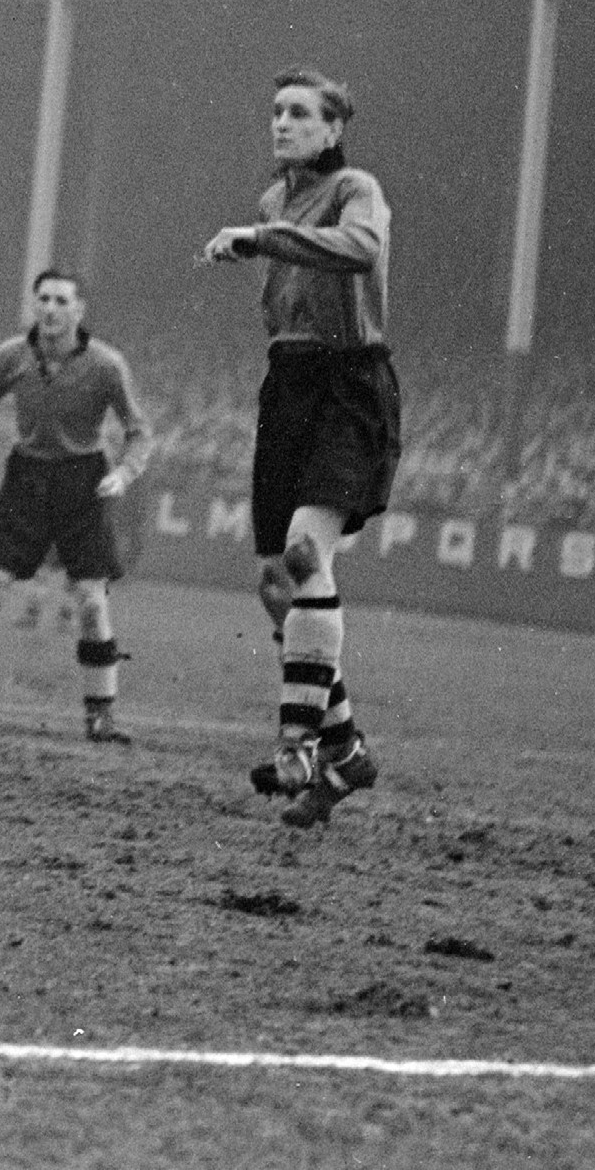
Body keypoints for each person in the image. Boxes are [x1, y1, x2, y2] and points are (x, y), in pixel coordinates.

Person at [201, 65, 401, 828]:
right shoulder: (273, 199)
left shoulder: (359, 189)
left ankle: (296, 745)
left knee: (304, 556)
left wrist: (259, 238)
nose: (281, 123)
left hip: (349, 383)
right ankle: (346, 751)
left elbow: (357, 249)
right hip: (288, 386)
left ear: (333, 128)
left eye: (298, 113)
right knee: (276, 586)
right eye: (276, 111)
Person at [0, 268, 153, 744]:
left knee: (92, 603)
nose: (50, 309)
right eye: (43, 300)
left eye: (60, 301)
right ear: (35, 306)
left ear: (79, 310)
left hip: (83, 481)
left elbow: (139, 431)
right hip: (27, 476)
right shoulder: (12, 356)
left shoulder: (105, 365)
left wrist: (122, 473)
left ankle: (100, 715)